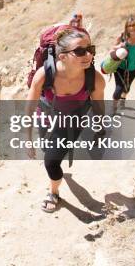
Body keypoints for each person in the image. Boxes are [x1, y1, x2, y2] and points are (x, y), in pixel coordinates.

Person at [26, 28, 105, 213]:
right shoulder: (44, 75)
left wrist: (99, 130)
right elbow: (29, 108)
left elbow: (99, 107)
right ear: (62, 56)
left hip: (73, 119)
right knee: (47, 148)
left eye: (90, 49)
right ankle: (64, 175)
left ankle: (53, 193)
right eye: (79, 51)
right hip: (46, 114)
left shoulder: (94, 78)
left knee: (51, 161)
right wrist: (28, 139)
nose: (88, 55)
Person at [112, 16, 135, 112]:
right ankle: (114, 109)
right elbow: (112, 49)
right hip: (120, 67)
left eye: (134, 25)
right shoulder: (122, 37)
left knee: (126, 88)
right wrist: (119, 46)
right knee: (118, 90)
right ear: (126, 27)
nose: (132, 28)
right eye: (129, 26)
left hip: (133, 68)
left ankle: (123, 100)